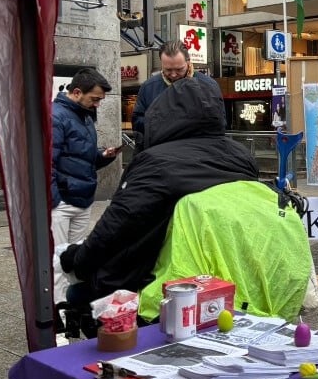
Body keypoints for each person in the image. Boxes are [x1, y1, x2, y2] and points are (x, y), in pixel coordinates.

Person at [60, 77, 258, 304]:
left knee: (76, 295)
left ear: (163, 115)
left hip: (166, 282)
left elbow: (117, 224)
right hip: (233, 274)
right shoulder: (242, 156)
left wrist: (78, 260)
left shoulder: (155, 162)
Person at [51, 68, 121, 247]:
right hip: (62, 202)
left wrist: (103, 156)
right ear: (77, 92)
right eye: (95, 99)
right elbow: (46, 163)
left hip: (82, 200)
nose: (98, 105)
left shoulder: (85, 117)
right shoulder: (56, 116)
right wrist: (54, 201)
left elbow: (82, 157)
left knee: (75, 257)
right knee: (58, 258)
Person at [130, 40, 214, 150]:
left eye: (179, 69)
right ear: (161, 63)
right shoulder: (148, 87)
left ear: (188, 62)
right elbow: (137, 122)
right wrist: (159, 123)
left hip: (196, 152)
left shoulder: (208, 86)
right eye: (168, 70)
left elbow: (218, 124)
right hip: (159, 153)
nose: (173, 75)